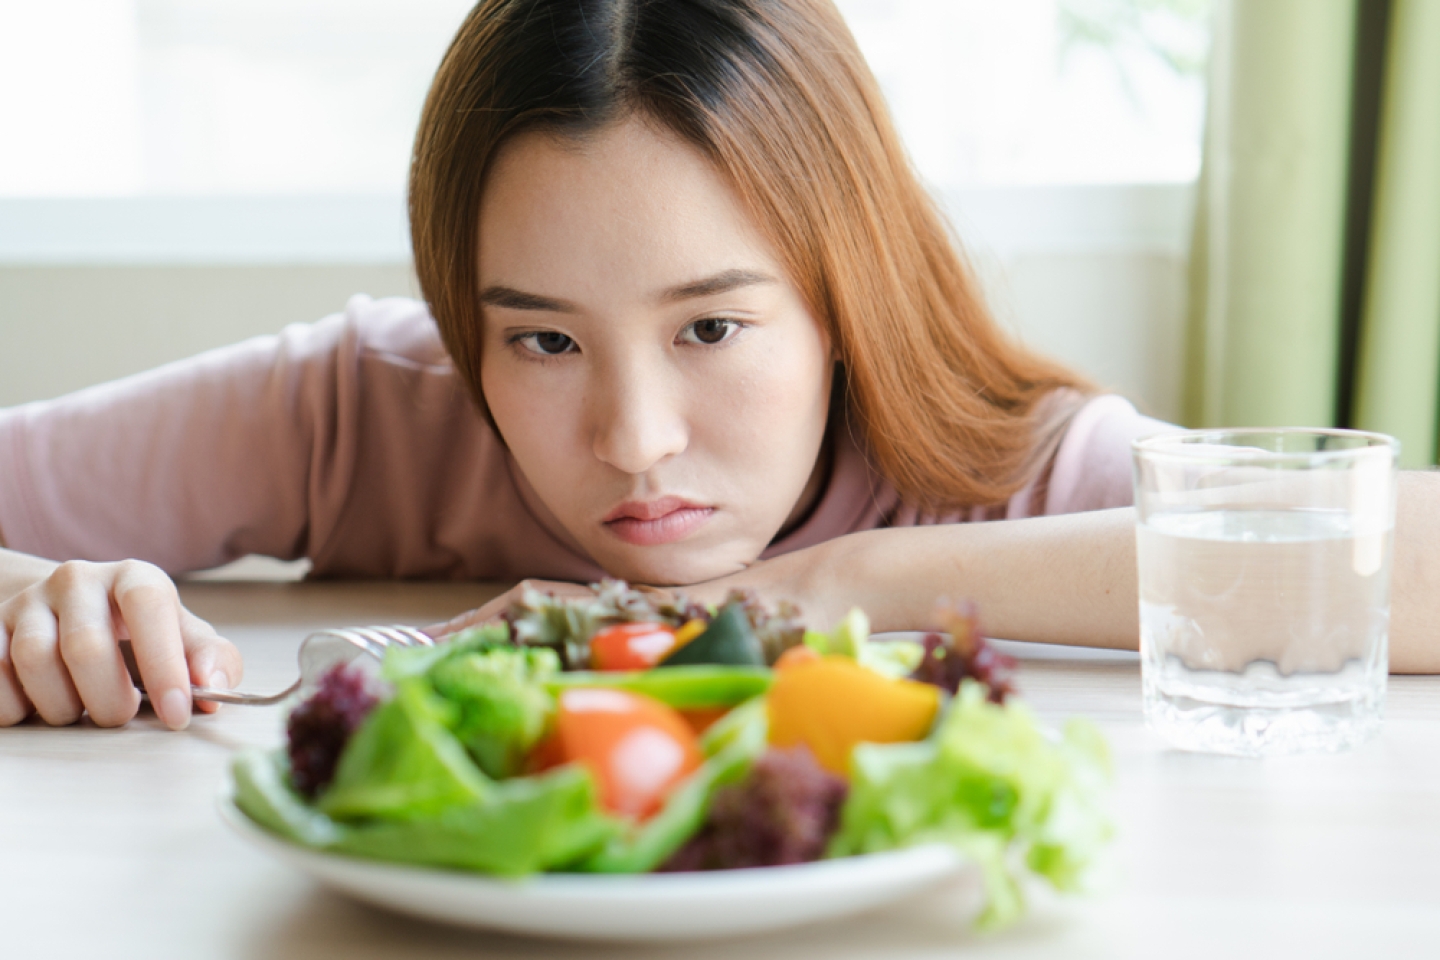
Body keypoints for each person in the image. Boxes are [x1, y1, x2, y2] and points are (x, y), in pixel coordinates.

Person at [2, 0, 1436, 733]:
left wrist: (834, 586)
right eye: (544, 340)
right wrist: (29, 600)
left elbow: (1398, 555)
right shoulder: (366, 405)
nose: (634, 439)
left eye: (711, 328)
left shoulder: (998, 465)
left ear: (840, 295)